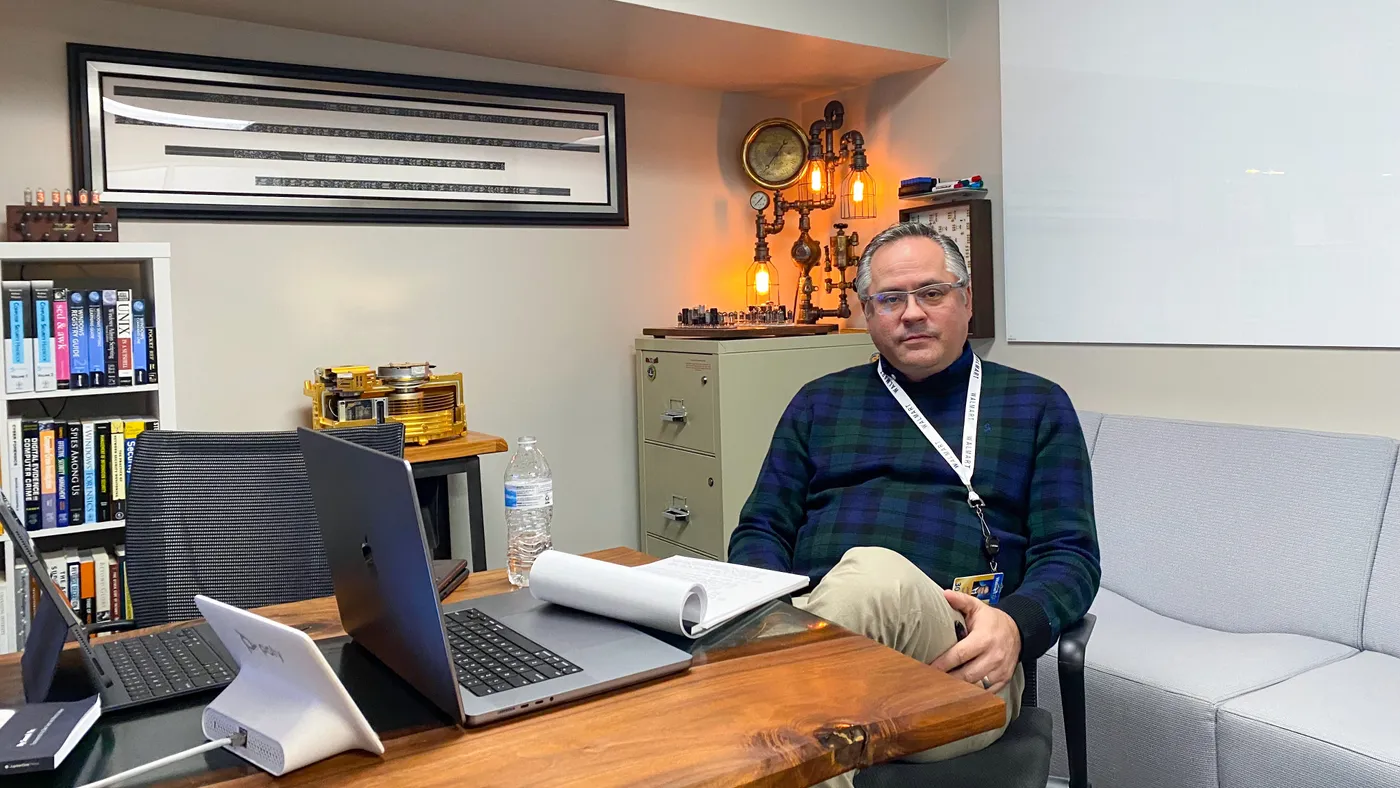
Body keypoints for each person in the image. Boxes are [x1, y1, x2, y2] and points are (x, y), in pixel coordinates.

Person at [728, 221, 1100, 786]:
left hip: (958, 664)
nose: (912, 313)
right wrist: (771, 614)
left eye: (932, 293)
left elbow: (1071, 555)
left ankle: (751, 691)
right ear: (865, 312)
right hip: (814, 631)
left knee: (870, 578)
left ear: (966, 301)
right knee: (801, 709)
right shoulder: (819, 402)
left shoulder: (1036, 405)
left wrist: (1017, 628)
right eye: (891, 298)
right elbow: (761, 530)